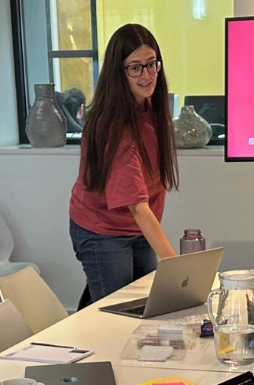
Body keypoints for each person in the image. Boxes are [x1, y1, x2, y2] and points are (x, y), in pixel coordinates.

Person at [69, 23, 180, 306]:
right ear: (119, 73)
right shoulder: (113, 127)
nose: (146, 75)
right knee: (118, 311)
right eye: (135, 67)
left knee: (147, 304)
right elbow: (138, 206)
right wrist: (179, 270)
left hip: (136, 227)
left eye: (151, 64)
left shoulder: (152, 107)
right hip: (102, 228)